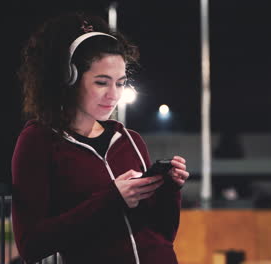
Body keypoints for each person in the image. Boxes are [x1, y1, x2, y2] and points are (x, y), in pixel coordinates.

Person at [11, 11, 189, 264]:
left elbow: (163, 235)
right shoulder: (39, 141)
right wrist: (112, 199)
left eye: (120, 83)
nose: (113, 95)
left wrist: (171, 189)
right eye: (102, 82)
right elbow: (31, 244)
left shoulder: (130, 140)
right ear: (69, 78)